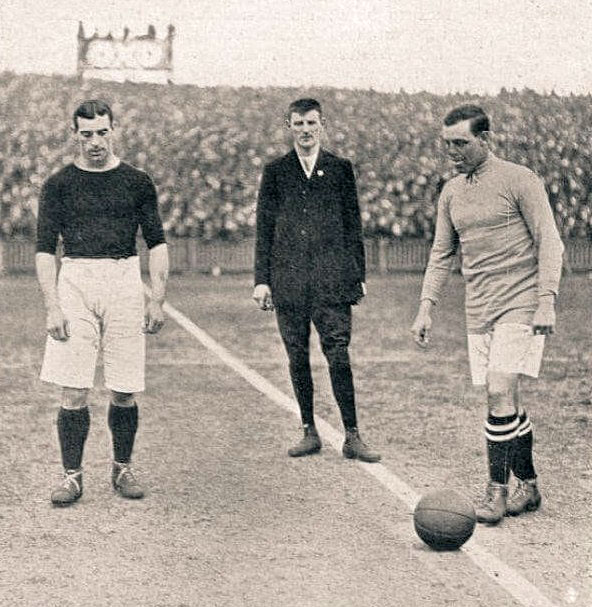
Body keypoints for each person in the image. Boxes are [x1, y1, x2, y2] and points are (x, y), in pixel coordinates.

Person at [411, 104, 564, 524]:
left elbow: (550, 242)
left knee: (498, 390)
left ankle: (495, 491)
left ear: (486, 139)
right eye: (446, 145)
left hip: (522, 301)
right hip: (478, 307)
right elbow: (441, 254)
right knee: (507, 398)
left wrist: (546, 299)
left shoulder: (519, 180)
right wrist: (426, 307)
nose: (452, 152)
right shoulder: (451, 192)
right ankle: (528, 486)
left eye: (461, 143)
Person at [36, 99, 169, 506]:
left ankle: (122, 467)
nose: (95, 141)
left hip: (123, 279)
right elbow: (44, 250)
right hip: (75, 279)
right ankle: (72, 477)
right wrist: (52, 306)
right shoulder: (58, 184)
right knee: (73, 389)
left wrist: (157, 299)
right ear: (74, 134)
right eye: (86, 133)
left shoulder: (137, 181)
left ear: (114, 130)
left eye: (102, 132)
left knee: (124, 389)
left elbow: (157, 243)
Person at [253, 97, 380, 463]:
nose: (305, 130)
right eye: (298, 124)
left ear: (321, 125)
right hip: (288, 281)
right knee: (297, 356)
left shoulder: (340, 168)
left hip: (332, 281)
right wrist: (262, 280)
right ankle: (309, 431)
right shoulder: (276, 171)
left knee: (338, 354)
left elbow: (353, 224)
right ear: (289, 126)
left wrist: (358, 275)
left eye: (311, 123)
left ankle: (352, 434)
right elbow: (264, 228)